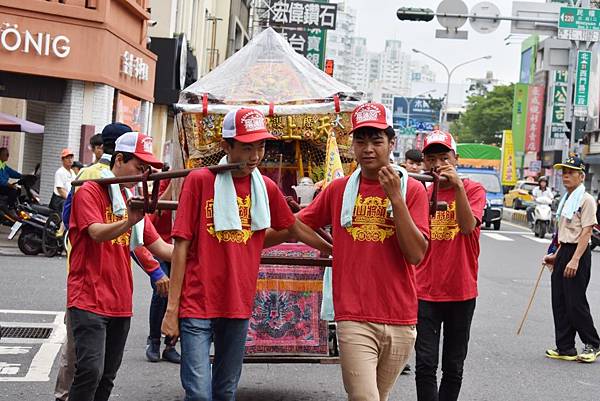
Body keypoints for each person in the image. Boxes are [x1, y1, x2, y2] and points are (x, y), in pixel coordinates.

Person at [161, 107, 331, 401]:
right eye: (246, 147)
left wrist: (333, 252)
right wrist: (172, 310)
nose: (255, 156)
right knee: (199, 394)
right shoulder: (200, 181)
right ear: (226, 146)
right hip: (197, 301)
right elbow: (181, 247)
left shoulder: (264, 187)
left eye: (261, 146)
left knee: (226, 391)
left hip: (238, 303)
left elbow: (294, 227)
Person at [292, 102, 430, 401]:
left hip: (401, 317)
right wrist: (329, 247)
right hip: (353, 315)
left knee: (378, 397)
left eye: (377, 140)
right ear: (352, 144)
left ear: (392, 143)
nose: (368, 148)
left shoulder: (412, 190)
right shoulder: (338, 189)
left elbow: (416, 254)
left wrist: (395, 198)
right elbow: (297, 225)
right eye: (360, 140)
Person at [54, 124, 169, 401]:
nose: (143, 175)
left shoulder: (131, 197)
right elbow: (94, 232)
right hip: (87, 298)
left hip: (119, 301)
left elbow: (162, 249)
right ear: (119, 160)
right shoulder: (90, 190)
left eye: (147, 170)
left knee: (107, 376)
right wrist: (128, 220)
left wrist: (205, 246)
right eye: (139, 167)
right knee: (90, 371)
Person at [415, 130, 486, 401]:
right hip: (425, 291)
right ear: (424, 162)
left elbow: (468, 227)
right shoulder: (422, 192)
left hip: (461, 291)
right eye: (431, 159)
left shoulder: (473, 189)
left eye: (444, 158)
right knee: (425, 365)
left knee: (453, 367)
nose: (437, 165)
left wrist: (456, 188)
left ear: (456, 159)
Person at [543, 155, 600, 363]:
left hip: (578, 253)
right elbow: (565, 234)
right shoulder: (567, 199)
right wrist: (556, 256)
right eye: (564, 172)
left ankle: (593, 343)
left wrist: (574, 260)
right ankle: (565, 347)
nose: (566, 176)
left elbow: (586, 233)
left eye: (571, 172)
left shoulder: (586, 200)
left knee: (575, 302)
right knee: (559, 300)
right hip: (564, 251)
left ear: (581, 176)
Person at [145, 171, 181, 364]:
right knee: (162, 290)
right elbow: (155, 213)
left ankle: (171, 345)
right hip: (161, 245)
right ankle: (154, 341)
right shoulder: (166, 179)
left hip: (181, 246)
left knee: (182, 293)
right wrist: (173, 185)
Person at [0, 147, 22, 212]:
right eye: (6, 154)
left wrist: (22, 176)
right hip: (1, 186)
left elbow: (11, 172)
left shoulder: (3, 164)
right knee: (13, 190)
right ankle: (10, 208)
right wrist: (10, 185)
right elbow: (0, 181)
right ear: (1, 155)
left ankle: (12, 206)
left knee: (18, 190)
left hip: (3, 186)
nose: (8, 156)